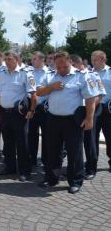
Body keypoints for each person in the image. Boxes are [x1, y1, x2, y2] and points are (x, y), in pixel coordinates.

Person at [37, 51, 98, 194]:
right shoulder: (50, 75)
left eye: (64, 66)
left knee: (74, 151)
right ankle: (51, 178)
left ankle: (75, 181)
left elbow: (90, 98)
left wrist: (89, 118)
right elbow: (39, 92)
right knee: (52, 151)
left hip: (72, 120)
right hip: (53, 118)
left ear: (70, 62)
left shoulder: (82, 76)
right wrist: (51, 87)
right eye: (58, 67)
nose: (61, 69)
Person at [0, 51, 37, 182]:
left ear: (17, 60)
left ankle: (25, 171)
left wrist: (32, 110)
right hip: (4, 112)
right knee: (8, 142)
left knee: (22, 143)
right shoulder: (1, 74)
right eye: (6, 59)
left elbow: (33, 94)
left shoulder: (25, 74)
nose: (7, 61)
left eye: (10, 59)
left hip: (19, 114)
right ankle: (10, 167)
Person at [71, 54, 105, 180]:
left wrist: (88, 114)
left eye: (72, 65)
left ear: (76, 64)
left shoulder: (92, 75)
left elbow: (99, 95)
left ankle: (91, 168)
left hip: (91, 110)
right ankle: (75, 167)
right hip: (75, 112)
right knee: (74, 142)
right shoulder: (72, 76)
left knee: (89, 141)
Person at [29, 51, 52, 167]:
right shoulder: (29, 72)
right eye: (32, 59)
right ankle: (31, 159)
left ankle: (45, 161)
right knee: (31, 135)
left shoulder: (50, 73)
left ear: (42, 60)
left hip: (45, 109)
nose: (32, 61)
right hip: (31, 107)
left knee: (47, 136)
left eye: (34, 59)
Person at [92, 50, 111, 173]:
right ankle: (91, 165)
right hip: (94, 107)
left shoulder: (110, 72)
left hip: (108, 108)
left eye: (95, 60)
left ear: (103, 59)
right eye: (92, 60)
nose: (93, 62)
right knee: (92, 138)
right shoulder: (89, 73)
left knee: (110, 136)